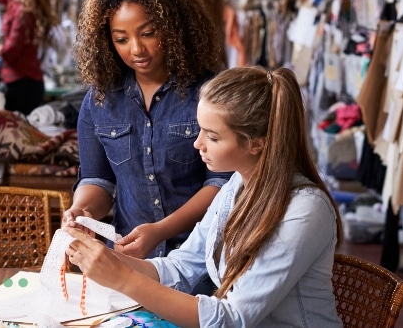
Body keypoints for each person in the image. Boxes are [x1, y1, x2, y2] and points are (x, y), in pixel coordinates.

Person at [65, 66, 345, 328]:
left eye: (212, 136)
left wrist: (122, 278)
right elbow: (181, 266)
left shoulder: (305, 209)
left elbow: (232, 319)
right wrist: (100, 256)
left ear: (257, 144)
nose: (197, 143)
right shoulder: (236, 187)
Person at [63, 0, 231, 260]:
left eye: (148, 33)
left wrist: (160, 230)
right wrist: (84, 210)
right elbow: (97, 179)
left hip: (200, 259)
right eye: (121, 39)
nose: (136, 49)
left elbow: (223, 183)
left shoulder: (209, 94)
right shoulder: (100, 100)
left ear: (173, 28)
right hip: (130, 260)